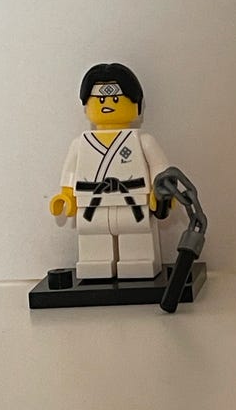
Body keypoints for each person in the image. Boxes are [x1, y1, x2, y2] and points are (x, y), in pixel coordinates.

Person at [50, 63, 169, 279]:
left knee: (136, 232)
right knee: (92, 234)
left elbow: (159, 168)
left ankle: (138, 262)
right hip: (91, 200)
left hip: (133, 198)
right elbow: (70, 173)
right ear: (86, 106)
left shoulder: (143, 141)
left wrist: (161, 191)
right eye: (100, 100)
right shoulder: (80, 144)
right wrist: (66, 194)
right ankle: (95, 264)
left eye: (116, 99)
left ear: (137, 106)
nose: (107, 105)